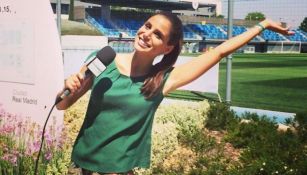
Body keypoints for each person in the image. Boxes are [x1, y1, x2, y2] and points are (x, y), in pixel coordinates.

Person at [56, 11, 294, 175]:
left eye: (158, 34)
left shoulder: (162, 80)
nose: (147, 33)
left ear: (167, 47)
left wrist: (263, 25)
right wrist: (70, 85)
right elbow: (63, 105)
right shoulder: (102, 59)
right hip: (79, 167)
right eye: (147, 26)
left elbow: (219, 52)